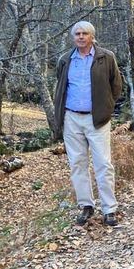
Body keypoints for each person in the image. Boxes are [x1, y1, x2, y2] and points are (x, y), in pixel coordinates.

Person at [54, 21, 122, 226]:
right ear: (73, 37)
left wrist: (106, 107)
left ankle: (109, 209)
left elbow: (116, 85)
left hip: (97, 119)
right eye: (77, 34)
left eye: (85, 33)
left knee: (103, 163)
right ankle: (86, 206)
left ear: (92, 36)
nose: (81, 37)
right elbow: (61, 85)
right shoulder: (65, 60)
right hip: (71, 118)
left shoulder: (106, 57)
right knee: (77, 164)